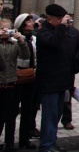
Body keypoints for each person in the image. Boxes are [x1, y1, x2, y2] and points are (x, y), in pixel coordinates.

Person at [36, 4, 79, 152]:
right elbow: (53, 43)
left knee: (57, 115)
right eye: (59, 18)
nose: (62, 21)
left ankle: (52, 142)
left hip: (64, 81)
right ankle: (46, 145)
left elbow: (72, 51)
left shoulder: (63, 32)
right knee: (50, 116)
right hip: (50, 83)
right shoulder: (44, 33)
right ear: (49, 19)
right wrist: (62, 28)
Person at [1, 17, 30, 152]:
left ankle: (9, 143)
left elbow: (25, 56)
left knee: (8, 113)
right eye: (2, 29)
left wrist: (21, 40)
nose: (5, 31)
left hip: (11, 81)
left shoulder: (14, 44)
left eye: (8, 29)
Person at [14, 13, 38, 150]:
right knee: (12, 111)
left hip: (31, 76)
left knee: (28, 110)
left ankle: (25, 138)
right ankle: (10, 140)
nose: (31, 22)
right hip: (17, 76)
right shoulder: (15, 39)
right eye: (28, 21)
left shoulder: (34, 39)